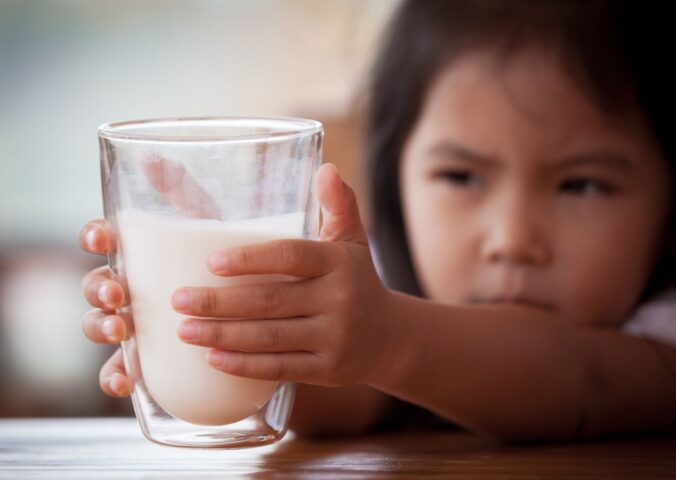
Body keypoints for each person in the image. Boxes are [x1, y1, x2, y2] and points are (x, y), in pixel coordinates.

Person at [80, 0, 675, 441]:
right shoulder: (389, 300)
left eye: (583, 185)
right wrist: (244, 326)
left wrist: (386, 338)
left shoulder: (661, 340)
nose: (513, 240)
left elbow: (582, 383)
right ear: (395, 180)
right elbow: (344, 401)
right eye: (461, 177)